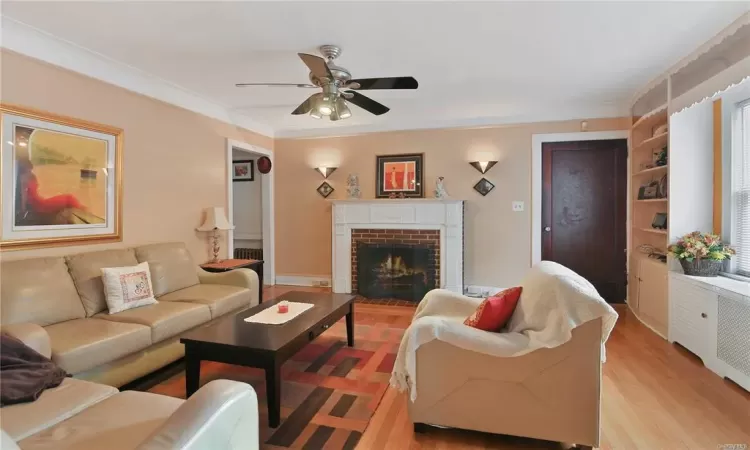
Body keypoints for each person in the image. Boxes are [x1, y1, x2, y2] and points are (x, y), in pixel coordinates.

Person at [15, 156, 84, 225]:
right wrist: (23, 210)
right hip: (39, 206)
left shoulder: (29, 177)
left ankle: (81, 212)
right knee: (69, 199)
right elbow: (24, 195)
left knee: (69, 199)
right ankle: (82, 213)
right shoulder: (22, 179)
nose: (30, 173)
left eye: (30, 170)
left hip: (39, 203)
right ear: (23, 170)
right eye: (28, 170)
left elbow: (28, 194)